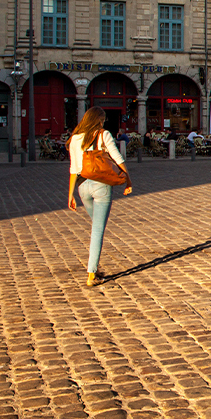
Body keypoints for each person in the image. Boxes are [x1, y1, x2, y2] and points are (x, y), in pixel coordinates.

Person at [67, 107, 132, 287]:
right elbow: (118, 158)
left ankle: (93, 269)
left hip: (82, 186)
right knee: (97, 230)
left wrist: (71, 194)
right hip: (101, 185)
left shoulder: (74, 138)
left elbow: (73, 169)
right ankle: (91, 274)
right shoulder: (103, 135)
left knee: (97, 225)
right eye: (102, 120)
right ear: (99, 120)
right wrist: (128, 180)